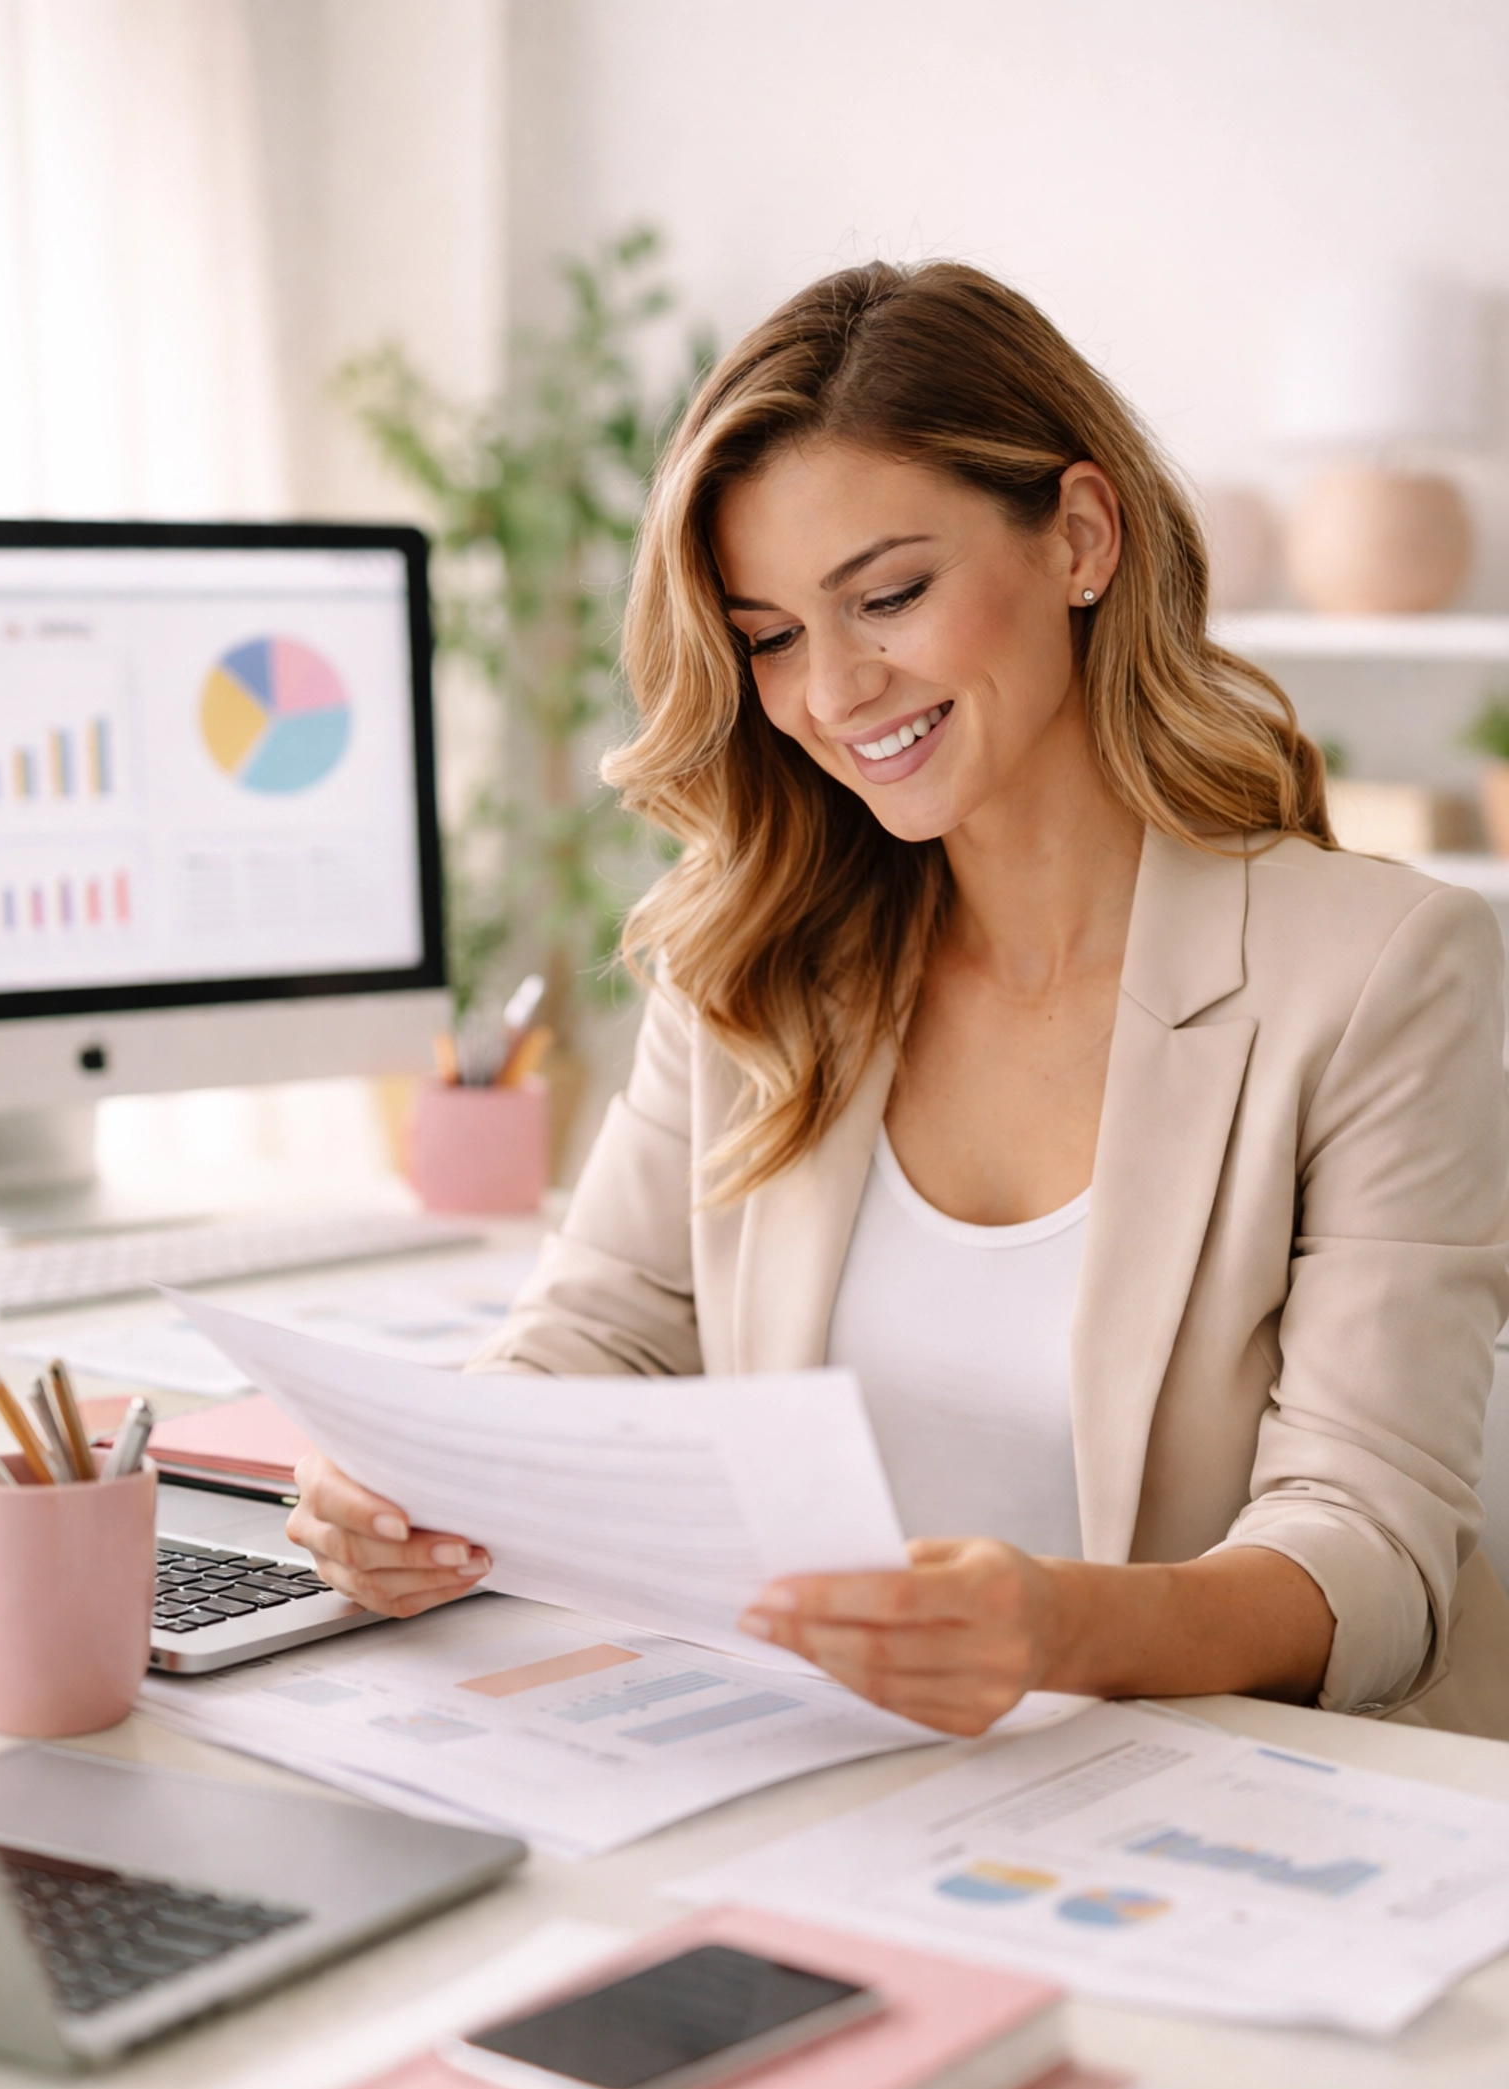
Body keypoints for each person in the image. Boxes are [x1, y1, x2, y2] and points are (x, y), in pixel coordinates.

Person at [290, 260, 1509, 1739]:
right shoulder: (754, 956)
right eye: (771, 636)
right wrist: (428, 1480)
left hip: (1213, 1800)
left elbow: (1374, 1552)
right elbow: (604, 1330)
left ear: (1077, 536)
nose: (835, 691)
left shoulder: (1385, 972)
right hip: (825, 1774)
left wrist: (1055, 1624)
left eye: (889, 596)